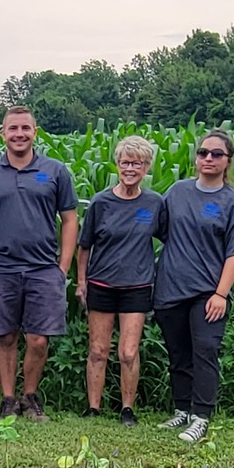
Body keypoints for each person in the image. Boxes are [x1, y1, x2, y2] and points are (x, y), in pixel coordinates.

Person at [0, 104, 77, 419]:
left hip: (43, 268)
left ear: (35, 132)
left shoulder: (55, 171)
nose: (19, 134)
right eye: (12, 129)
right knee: (5, 336)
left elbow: (69, 219)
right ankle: (8, 400)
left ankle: (30, 396)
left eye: (25, 128)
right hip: (1, 266)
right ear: (2, 133)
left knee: (39, 338)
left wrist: (63, 267)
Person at [155, 128, 234, 444]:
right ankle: (182, 409)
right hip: (170, 288)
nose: (208, 158)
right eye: (203, 153)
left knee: (206, 350)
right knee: (178, 353)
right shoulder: (177, 192)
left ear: (228, 161)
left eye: (216, 154)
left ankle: (201, 417)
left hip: (208, 293)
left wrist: (220, 294)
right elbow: (157, 230)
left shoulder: (233, 202)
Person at [76, 135, 165, 425]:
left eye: (137, 163)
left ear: (146, 168)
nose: (130, 168)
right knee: (98, 350)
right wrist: (81, 282)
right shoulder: (101, 202)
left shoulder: (154, 203)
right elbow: (84, 245)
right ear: (117, 164)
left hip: (136, 286)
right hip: (101, 284)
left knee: (128, 352)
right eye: (125, 162)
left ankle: (127, 408)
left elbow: (170, 239)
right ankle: (93, 408)